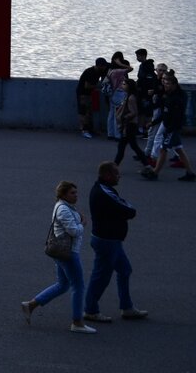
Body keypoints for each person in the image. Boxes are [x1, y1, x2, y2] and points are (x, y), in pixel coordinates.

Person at [20, 181, 95, 333]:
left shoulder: (64, 207)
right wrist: (83, 224)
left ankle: (30, 305)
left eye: (76, 192)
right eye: (72, 193)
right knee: (78, 286)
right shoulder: (63, 210)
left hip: (61, 252)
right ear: (63, 195)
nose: (76, 195)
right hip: (68, 253)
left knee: (63, 284)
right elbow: (73, 231)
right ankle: (77, 322)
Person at [83, 162, 149, 322]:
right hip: (108, 241)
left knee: (124, 270)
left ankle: (127, 307)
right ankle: (90, 310)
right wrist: (129, 210)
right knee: (101, 277)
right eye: (116, 174)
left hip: (109, 240)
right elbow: (128, 210)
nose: (119, 176)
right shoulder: (105, 192)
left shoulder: (101, 189)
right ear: (107, 175)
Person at [142, 74, 196, 181]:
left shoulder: (176, 99)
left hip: (172, 128)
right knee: (179, 149)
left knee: (163, 149)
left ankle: (155, 172)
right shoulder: (169, 96)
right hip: (170, 127)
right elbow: (165, 113)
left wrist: (169, 129)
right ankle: (190, 173)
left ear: (174, 84)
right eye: (164, 84)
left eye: (168, 84)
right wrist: (153, 123)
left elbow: (176, 116)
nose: (165, 86)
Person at [112, 79, 148, 167]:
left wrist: (125, 117)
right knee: (132, 145)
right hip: (129, 125)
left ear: (129, 86)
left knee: (123, 146)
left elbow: (133, 112)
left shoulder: (131, 98)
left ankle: (115, 165)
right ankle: (146, 164)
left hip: (129, 125)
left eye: (124, 84)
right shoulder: (128, 96)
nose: (122, 85)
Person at [75, 58, 108, 138]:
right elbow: (87, 86)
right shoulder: (89, 72)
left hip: (89, 94)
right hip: (82, 94)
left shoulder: (99, 71)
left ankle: (90, 129)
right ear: (99, 66)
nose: (105, 68)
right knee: (84, 112)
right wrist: (99, 86)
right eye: (103, 66)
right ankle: (84, 130)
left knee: (89, 112)